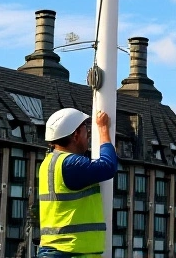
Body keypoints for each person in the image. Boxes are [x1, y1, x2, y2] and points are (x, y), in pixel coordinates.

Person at [37, 107, 117, 258]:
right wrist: (103, 130)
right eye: (86, 130)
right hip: (69, 251)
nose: (88, 135)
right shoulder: (71, 164)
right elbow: (108, 166)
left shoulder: (49, 163)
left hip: (59, 249)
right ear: (76, 135)